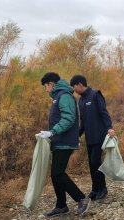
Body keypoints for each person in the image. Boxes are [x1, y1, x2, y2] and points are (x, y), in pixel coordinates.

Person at [39, 72, 90, 217]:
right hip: (59, 141)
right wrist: (50, 133)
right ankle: (61, 205)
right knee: (55, 175)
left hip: (65, 142)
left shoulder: (64, 96)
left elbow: (68, 118)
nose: (45, 89)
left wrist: (52, 132)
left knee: (58, 173)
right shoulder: (58, 97)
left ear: (51, 84)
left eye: (45, 86)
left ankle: (82, 199)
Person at [70, 75, 114, 201]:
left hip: (100, 135)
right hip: (89, 137)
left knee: (95, 161)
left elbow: (104, 112)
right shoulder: (81, 100)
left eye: (74, 87)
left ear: (79, 84)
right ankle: (95, 189)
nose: (74, 90)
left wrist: (109, 127)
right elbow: (82, 122)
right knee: (91, 164)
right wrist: (77, 135)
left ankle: (103, 189)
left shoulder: (95, 94)